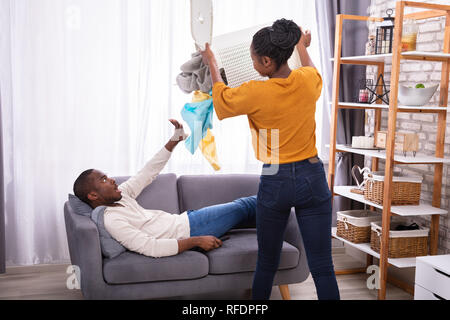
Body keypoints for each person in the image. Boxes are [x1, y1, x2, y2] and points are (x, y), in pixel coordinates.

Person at [201, 19, 340, 300]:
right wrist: (302, 43)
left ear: (266, 61)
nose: (252, 64)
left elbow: (222, 103)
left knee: (267, 262)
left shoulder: (256, 92)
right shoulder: (307, 81)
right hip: (312, 176)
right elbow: (311, 68)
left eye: (253, 59)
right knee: (323, 266)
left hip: (275, 178)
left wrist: (212, 63)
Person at [73, 119, 256, 258]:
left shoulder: (121, 196)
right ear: (93, 195)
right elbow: (150, 247)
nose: (112, 180)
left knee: (252, 216)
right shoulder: (112, 220)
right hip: (192, 229)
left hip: (188, 220)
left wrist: (174, 140)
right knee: (246, 205)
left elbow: (148, 171)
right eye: (104, 179)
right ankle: (282, 197)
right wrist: (197, 240)